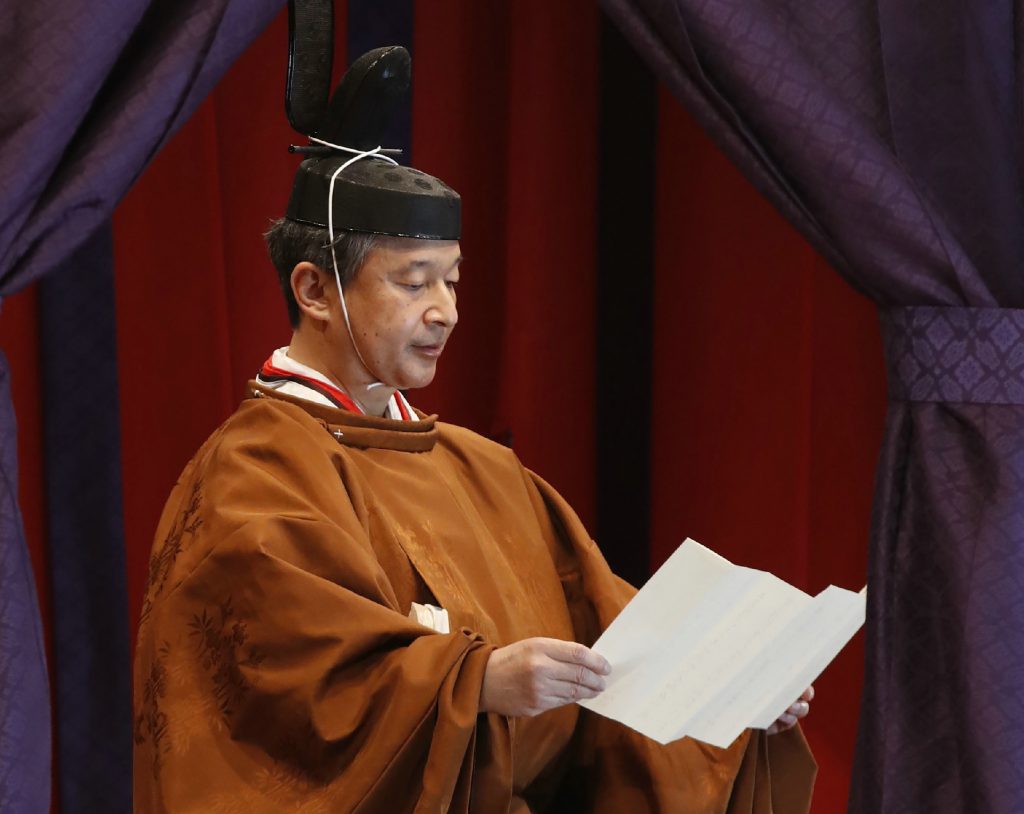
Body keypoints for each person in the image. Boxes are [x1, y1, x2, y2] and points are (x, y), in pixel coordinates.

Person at [133, 46, 817, 813]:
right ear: (315, 290)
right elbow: (288, 685)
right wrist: (477, 681)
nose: (446, 311)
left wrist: (731, 695)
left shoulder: (481, 467)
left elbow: (614, 638)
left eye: (452, 280)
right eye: (412, 281)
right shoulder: (253, 473)